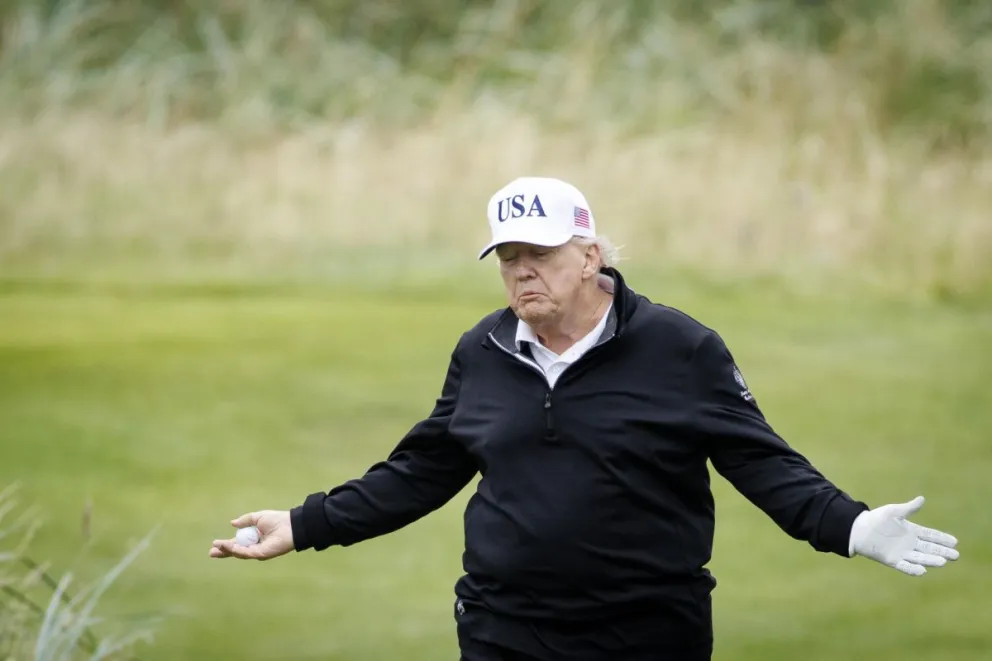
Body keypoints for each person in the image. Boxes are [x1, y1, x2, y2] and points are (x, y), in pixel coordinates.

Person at [209, 177, 960, 660]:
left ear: (590, 252)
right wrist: (305, 523)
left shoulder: (679, 347)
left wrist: (854, 527)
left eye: (538, 252)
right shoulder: (484, 348)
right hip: (504, 627)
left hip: (647, 633)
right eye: (507, 257)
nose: (521, 271)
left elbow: (762, 460)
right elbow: (422, 468)